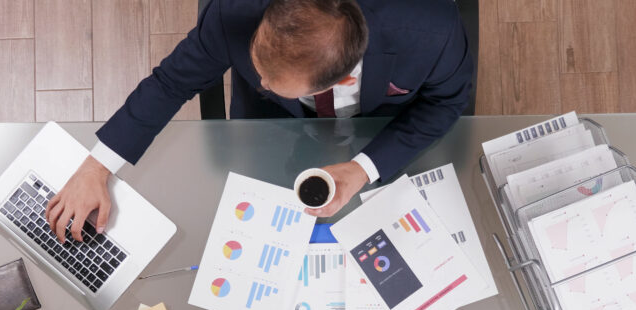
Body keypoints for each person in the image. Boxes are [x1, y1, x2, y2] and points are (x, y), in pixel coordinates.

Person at [46, 0, 473, 243]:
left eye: (271, 79)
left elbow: (444, 105)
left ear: (342, 78)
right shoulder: (234, 12)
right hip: (270, 126)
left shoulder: (430, 31)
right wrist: (94, 166)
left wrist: (363, 169)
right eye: (259, 69)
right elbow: (171, 83)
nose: (260, 80)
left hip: (387, 131)